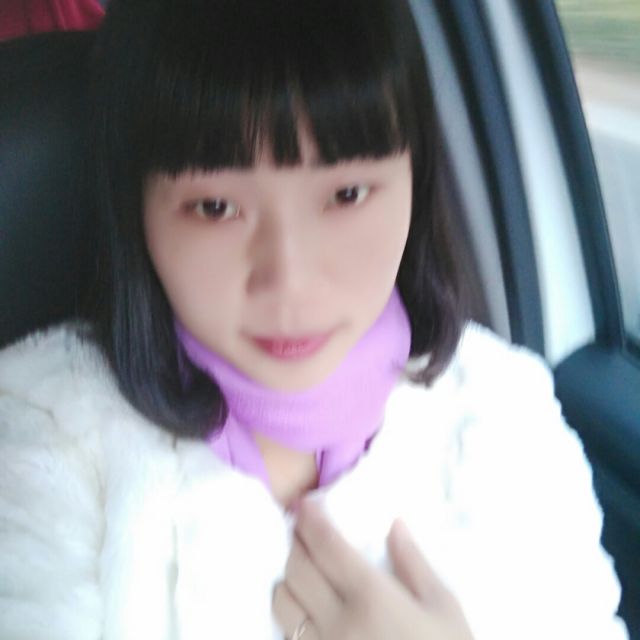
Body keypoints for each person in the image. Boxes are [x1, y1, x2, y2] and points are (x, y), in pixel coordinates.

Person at [0, 0, 628, 638]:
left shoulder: (505, 410)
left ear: (415, 179)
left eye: (346, 194)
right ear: (137, 209)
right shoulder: (46, 435)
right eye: (215, 207)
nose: (289, 282)